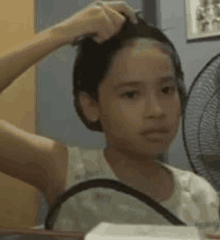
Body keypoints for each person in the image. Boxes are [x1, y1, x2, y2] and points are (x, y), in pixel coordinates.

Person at [0, 0, 219, 236]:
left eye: (166, 90)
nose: (156, 110)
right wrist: (61, 33)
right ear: (91, 105)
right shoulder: (66, 172)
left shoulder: (201, 195)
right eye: (131, 94)